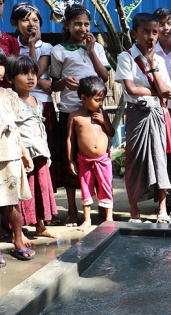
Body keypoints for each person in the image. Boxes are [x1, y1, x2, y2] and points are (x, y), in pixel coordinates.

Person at [50, 3, 110, 226]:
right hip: (69, 112)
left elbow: (103, 76)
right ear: (67, 24)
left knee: (98, 158)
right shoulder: (59, 51)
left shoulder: (97, 48)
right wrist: (64, 82)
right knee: (72, 161)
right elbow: (54, 84)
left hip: (94, 111)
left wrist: (92, 51)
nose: (82, 28)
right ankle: (73, 210)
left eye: (86, 24)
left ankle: (104, 207)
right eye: (77, 23)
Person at [115, 13, 171, 224]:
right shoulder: (125, 57)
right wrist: (158, 92)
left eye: (154, 32)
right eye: (146, 32)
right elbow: (131, 90)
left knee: (160, 159)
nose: (151, 37)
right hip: (136, 115)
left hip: (157, 114)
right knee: (135, 161)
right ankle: (134, 209)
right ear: (135, 33)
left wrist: (151, 65)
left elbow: (166, 89)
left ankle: (162, 208)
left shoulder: (158, 59)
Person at [10, 3, 60, 226]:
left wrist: (32, 49)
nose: (30, 24)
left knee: (43, 161)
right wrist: (41, 81)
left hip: (41, 105)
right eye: (25, 20)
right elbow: (34, 76)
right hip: (17, 106)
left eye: (35, 20)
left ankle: (44, 216)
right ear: (15, 23)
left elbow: (36, 70)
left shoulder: (46, 46)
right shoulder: (11, 47)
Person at [0, 43, 35, 264]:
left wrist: (24, 152)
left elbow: (14, 128)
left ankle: (18, 239)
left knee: (12, 204)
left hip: (11, 157)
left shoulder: (9, 95)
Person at [6, 55, 57, 238]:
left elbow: (40, 128)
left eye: (33, 73)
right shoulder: (11, 101)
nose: (30, 78)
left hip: (40, 152)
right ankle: (17, 230)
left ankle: (41, 226)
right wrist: (21, 152)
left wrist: (47, 152)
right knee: (24, 193)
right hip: (23, 155)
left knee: (41, 190)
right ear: (10, 78)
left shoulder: (36, 100)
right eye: (23, 73)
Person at [67, 76, 115, 231]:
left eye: (102, 100)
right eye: (97, 100)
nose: (100, 103)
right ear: (83, 98)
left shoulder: (102, 114)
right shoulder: (75, 116)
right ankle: (87, 219)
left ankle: (108, 217)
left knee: (106, 186)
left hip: (103, 159)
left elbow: (111, 132)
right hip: (84, 160)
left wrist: (103, 121)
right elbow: (70, 140)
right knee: (86, 187)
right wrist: (70, 160)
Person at [153, 7, 171, 218]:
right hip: (160, 109)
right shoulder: (150, 51)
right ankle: (166, 200)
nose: (165, 28)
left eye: (168, 23)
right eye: (160, 24)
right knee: (162, 154)